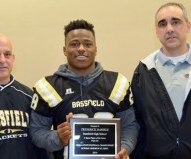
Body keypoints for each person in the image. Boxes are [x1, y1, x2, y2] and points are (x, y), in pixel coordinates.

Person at [29, 19, 139, 159]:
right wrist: (58, 137)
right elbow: (36, 132)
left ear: (96, 49)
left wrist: (124, 148)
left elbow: (130, 125)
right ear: (65, 50)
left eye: (87, 44)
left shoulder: (118, 83)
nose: (81, 48)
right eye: (74, 44)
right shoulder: (47, 87)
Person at [130, 2, 191, 159]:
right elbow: (137, 123)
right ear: (156, 32)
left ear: (188, 26)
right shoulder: (143, 71)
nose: (169, 29)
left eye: (175, 22)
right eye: (163, 24)